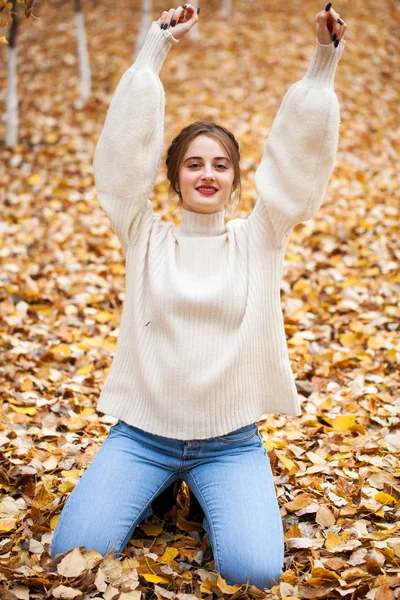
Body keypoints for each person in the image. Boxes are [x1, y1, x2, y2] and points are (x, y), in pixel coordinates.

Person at [50, 3, 347, 589]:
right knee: (71, 556)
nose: (207, 174)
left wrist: (322, 66)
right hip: (142, 437)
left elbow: (296, 164)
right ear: (174, 178)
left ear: (237, 178)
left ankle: (213, 501)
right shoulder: (143, 234)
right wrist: (155, 49)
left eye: (220, 165)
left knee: (254, 572)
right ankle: (159, 488)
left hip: (230, 443)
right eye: (193, 164)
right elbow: (119, 160)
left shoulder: (260, 238)